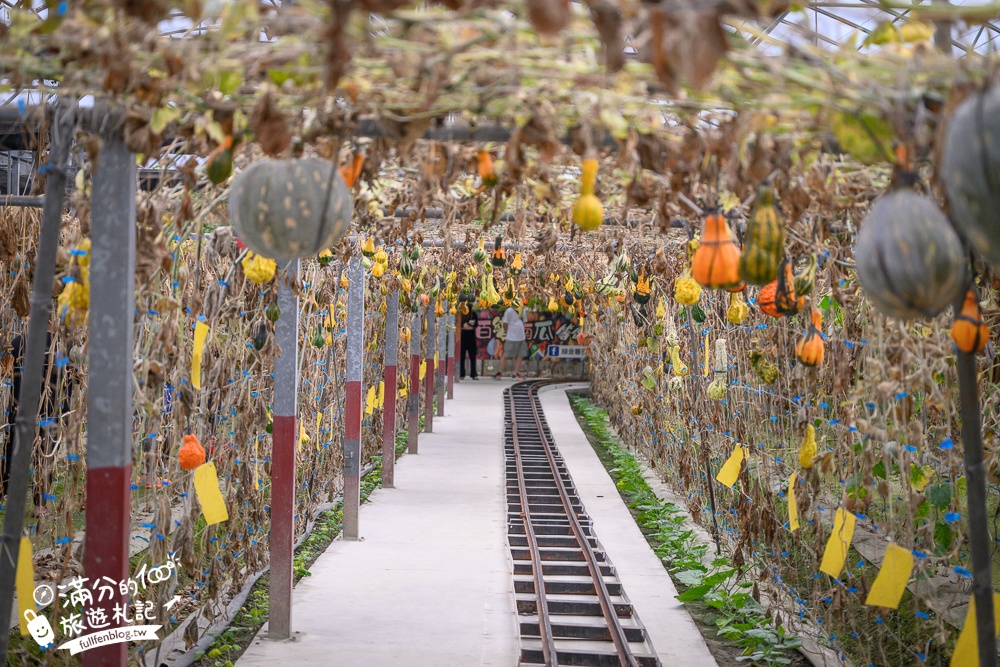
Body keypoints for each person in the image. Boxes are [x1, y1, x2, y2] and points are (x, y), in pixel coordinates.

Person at [2, 322, 72, 516]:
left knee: (12, 452)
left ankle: (5, 493)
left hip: (19, 411)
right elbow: (69, 386)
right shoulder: (66, 345)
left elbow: (8, 374)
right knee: (44, 457)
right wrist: (65, 414)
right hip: (50, 413)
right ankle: (40, 506)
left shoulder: (18, 342)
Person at [496, 303, 527, 380]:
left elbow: (524, 322)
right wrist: (507, 332)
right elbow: (505, 324)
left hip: (521, 337)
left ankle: (515, 373)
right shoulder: (509, 311)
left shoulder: (522, 310)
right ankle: (499, 372)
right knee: (506, 355)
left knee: (520, 355)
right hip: (511, 337)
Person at [459, 309, 480, 381]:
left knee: (473, 356)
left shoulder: (473, 313)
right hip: (463, 336)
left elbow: (476, 324)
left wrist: (470, 327)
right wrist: (463, 327)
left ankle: (473, 374)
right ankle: (461, 374)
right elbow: (458, 325)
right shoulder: (460, 313)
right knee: (462, 356)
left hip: (471, 336)